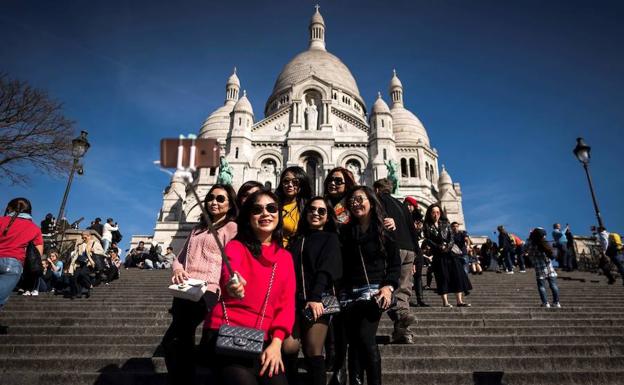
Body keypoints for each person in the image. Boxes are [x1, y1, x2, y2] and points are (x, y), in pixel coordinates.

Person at [200, 190, 295, 385]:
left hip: (263, 339)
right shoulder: (236, 246)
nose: (265, 214)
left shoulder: (285, 258)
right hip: (225, 333)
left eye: (271, 208)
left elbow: (286, 305)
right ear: (248, 217)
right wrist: (233, 283)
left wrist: (277, 342)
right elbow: (230, 270)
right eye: (257, 210)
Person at [162, 183, 238, 385]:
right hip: (185, 288)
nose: (214, 202)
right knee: (177, 341)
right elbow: (180, 256)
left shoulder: (231, 228)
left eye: (220, 199)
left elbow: (235, 259)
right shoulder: (197, 229)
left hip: (208, 289)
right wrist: (177, 269)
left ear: (230, 205)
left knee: (177, 339)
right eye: (211, 198)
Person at [340, 186, 400, 385]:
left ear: (371, 202)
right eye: (352, 200)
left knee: (366, 337)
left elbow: (394, 263)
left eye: (360, 199)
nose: (355, 203)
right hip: (348, 293)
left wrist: (388, 286)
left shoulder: (384, 230)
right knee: (354, 342)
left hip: (373, 290)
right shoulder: (346, 231)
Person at [285, 197, 342, 385]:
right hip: (293, 300)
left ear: (327, 217)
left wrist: (315, 297)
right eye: (311, 209)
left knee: (313, 351)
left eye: (321, 211)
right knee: (289, 348)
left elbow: (326, 268)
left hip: (318, 299)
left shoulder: (330, 238)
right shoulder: (296, 240)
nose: (315, 213)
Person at [373, 178, 420, 344]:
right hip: (409, 251)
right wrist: (417, 258)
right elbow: (413, 231)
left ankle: (400, 315)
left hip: (394, 249)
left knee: (388, 285)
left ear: (377, 189)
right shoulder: (402, 205)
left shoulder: (378, 200)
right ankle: (403, 332)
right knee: (404, 290)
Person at [423, 204, 472, 307]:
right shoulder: (427, 225)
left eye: (438, 212)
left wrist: (447, 247)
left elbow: (451, 238)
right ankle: (445, 302)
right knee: (442, 277)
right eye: (433, 212)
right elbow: (428, 240)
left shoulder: (445, 223)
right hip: (438, 254)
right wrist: (438, 247)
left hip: (450, 253)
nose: (436, 215)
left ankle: (459, 301)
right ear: (430, 213)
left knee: (457, 274)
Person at [0, 198, 44, 307]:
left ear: (10, 208)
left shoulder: (1, 220)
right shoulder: (34, 228)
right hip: (13, 264)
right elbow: (38, 254)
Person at [276, 166, 312, 246]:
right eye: (286, 181)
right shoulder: (273, 204)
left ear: (302, 184)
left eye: (295, 182)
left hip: (296, 252)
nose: (290, 185)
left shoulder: (307, 207)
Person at [527, 228, 560, 308]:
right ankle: (556, 302)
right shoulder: (544, 243)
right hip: (549, 267)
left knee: (542, 287)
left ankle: (545, 303)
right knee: (553, 285)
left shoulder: (531, 244)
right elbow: (551, 254)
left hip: (539, 268)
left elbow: (527, 251)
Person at [68, 231, 103, 299]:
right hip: (80, 262)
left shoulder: (95, 243)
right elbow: (77, 255)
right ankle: (78, 292)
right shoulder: (81, 244)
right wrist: (73, 264)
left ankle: (89, 286)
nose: (83, 239)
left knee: (82, 274)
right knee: (75, 277)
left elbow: (102, 252)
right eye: (82, 237)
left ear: (89, 236)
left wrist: (94, 250)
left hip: (90, 263)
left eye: (85, 237)